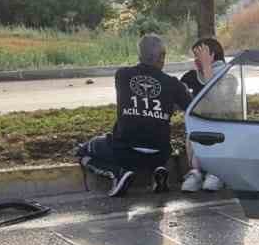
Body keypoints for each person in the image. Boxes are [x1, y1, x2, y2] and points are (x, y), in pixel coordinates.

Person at [77, 34, 190, 197]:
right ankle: (157, 170)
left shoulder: (122, 76)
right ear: (162, 57)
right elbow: (190, 106)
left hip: (124, 152)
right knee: (154, 143)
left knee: (82, 151)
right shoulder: (173, 84)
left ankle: (117, 173)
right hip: (160, 153)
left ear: (139, 56)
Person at [178, 36, 226, 192]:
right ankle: (196, 172)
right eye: (195, 57)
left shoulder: (228, 77)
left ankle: (217, 172)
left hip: (220, 132)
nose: (196, 61)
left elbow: (217, 101)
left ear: (212, 57)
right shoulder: (190, 77)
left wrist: (207, 68)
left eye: (200, 57)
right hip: (195, 133)